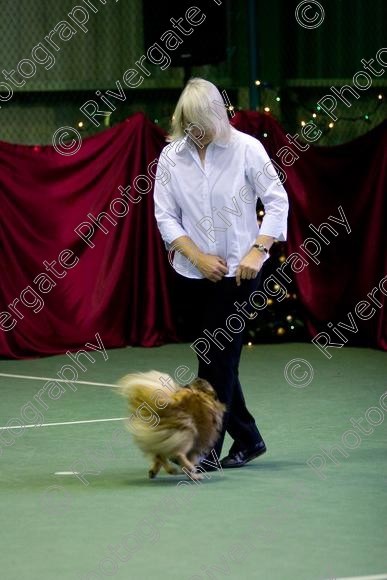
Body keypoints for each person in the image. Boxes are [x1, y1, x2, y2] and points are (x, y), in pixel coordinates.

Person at [153, 78, 289, 470]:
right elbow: (165, 216)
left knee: (215, 360)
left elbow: (277, 201)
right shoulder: (171, 157)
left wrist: (258, 249)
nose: (197, 131)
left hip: (240, 274)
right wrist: (196, 257)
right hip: (190, 272)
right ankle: (249, 438)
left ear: (218, 115)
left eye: (203, 122)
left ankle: (206, 448)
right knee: (215, 357)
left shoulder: (247, 149)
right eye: (190, 123)